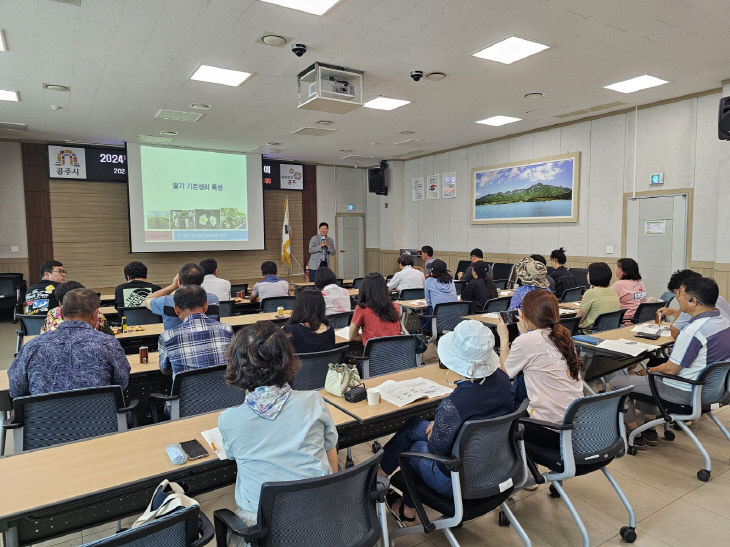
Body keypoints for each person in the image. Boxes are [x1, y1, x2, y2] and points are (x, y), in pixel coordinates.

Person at [380, 320, 514, 526]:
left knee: (414, 447)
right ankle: (386, 482)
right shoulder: (504, 382)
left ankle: (396, 499)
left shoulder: (454, 405)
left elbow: (436, 449)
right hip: (495, 467)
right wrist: (446, 423)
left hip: (458, 481)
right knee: (414, 425)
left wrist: (444, 423)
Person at [218, 322, 339, 536]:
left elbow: (232, 455)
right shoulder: (313, 401)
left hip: (263, 529)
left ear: (236, 365)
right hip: (320, 516)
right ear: (287, 359)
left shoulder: (229, 420)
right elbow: (331, 453)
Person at [611, 277, 730, 447]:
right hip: (717, 391)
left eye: (680, 294)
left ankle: (633, 432)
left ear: (693, 301)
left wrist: (650, 371)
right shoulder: (724, 323)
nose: (677, 298)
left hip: (684, 391)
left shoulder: (692, 331)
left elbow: (671, 370)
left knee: (618, 382)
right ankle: (649, 428)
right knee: (650, 375)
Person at [497, 290, 584, 444]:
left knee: (500, 422)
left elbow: (505, 373)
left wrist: (504, 338)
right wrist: (524, 333)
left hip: (548, 429)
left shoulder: (526, 341)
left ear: (527, 315)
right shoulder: (565, 337)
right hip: (576, 425)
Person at [9, 288, 130, 397]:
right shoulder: (108, 343)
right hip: (98, 419)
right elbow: (122, 383)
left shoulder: (32, 346)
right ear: (95, 314)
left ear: (61, 314)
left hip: (45, 420)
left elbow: (16, 390)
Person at [157, 285, 233, 377]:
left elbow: (165, 370)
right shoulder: (227, 329)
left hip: (189, 391)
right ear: (205, 306)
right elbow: (234, 362)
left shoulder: (167, 336)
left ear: (176, 310)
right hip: (226, 390)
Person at [656, 269, 730, 338]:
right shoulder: (719, 298)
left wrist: (682, 305)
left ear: (680, 291)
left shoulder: (693, 305)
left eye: (677, 293)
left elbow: (675, 331)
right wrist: (673, 312)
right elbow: (689, 318)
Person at [145, 263, 220, 330]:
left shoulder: (165, 302)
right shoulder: (213, 299)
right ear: (202, 280)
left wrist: (172, 286)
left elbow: (147, 300)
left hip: (175, 343)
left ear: (179, 281)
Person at [41, 280, 113, 334]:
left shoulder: (51, 314)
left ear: (60, 303)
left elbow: (43, 333)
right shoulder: (95, 312)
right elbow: (110, 335)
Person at [350, 272, 401, 347]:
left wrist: (368, 338)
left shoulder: (362, 308)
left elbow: (352, 336)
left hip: (375, 356)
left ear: (364, 289)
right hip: (397, 353)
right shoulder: (395, 307)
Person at [282, 288, 335, 353]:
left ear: (299, 306)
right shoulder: (330, 329)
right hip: (326, 363)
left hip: (298, 363)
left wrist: (282, 332)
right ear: (322, 306)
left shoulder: (290, 330)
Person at [575, 262, 621, 330]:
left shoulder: (590, 293)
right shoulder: (613, 291)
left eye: (588, 273)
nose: (587, 275)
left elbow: (579, 319)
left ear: (594, 276)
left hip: (590, 331)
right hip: (608, 331)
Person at [422, 259, 457, 335]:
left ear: (432, 271)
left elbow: (429, 303)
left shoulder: (429, 281)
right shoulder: (451, 281)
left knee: (425, 317)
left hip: (438, 319)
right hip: (454, 319)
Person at [611, 258, 647, 323]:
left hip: (625, 321)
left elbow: (607, 301)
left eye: (618, 268)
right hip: (641, 320)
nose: (616, 270)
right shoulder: (640, 283)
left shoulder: (619, 284)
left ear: (625, 272)